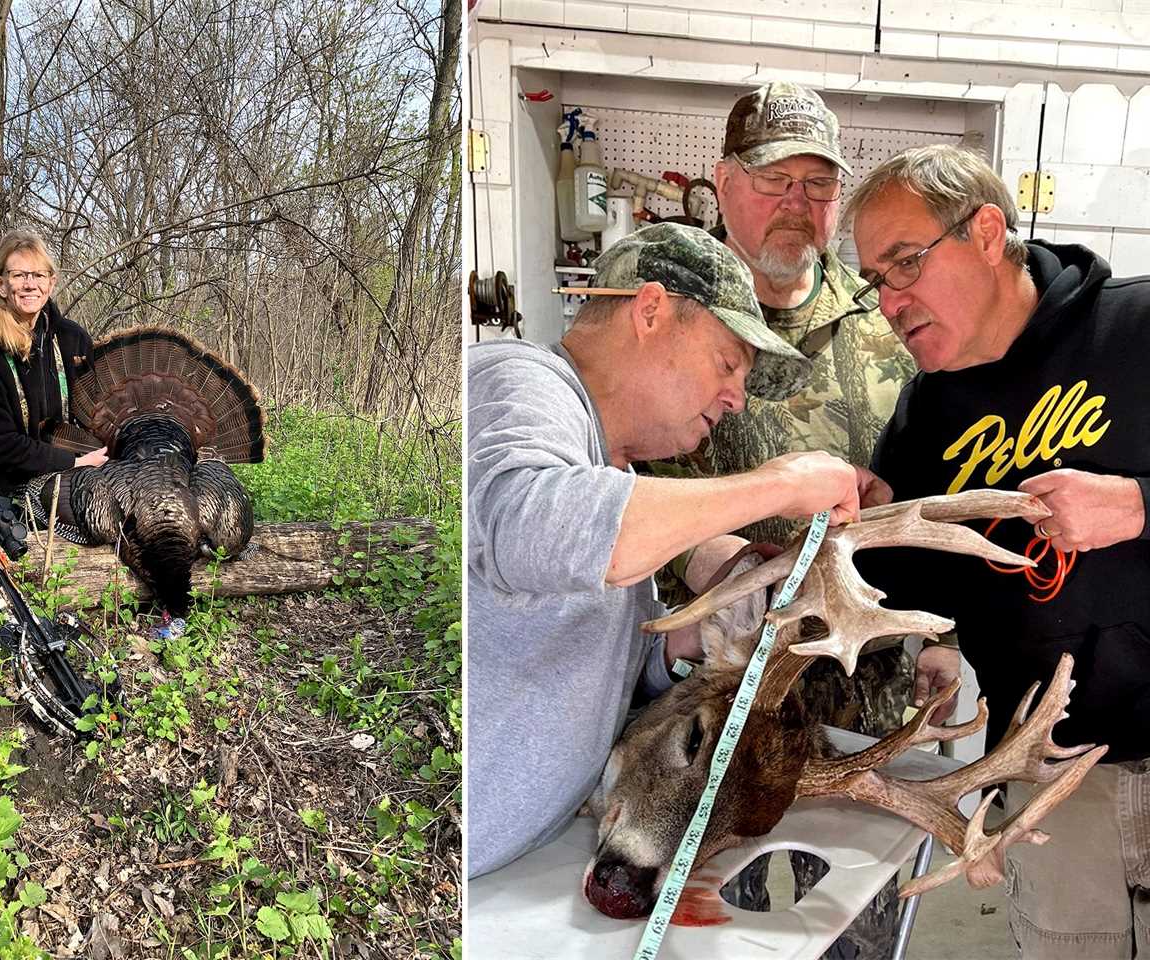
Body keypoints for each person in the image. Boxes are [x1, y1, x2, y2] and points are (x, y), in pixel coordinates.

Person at [467, 222, 878, 879]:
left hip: (523, 863)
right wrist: (778, 485)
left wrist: (684, 643)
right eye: (727, 363)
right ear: (651, 310)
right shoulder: (519, 382)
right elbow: (532, 524)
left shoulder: (614, 470)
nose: (736, 398)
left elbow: (591, 656)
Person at [848, 143, 1150, 959]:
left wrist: (1138, 506)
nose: (889, 301)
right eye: (875, 281)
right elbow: (914, 583)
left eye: (904, 263)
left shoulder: (1137, 328)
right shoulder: (926, 409)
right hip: (1045, 776)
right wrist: (870, 527)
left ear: (986, 231)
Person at [649, 81, 918, 955]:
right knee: (704, 933)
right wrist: (719, 565)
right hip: (705, 718)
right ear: (724, 182)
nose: (797, 206)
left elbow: (933, 494)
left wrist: (947, 636)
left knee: (850, 930)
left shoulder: (895, 324)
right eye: (774, 181)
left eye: (818, 184)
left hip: (862, 713)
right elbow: (622, 500)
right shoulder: (663, 315)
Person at [0, 228, 108, 497]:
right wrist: (74, 463)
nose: (30, 284)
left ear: (51, 283)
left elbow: (94, 416)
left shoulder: (72, 338)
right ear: (1, 284)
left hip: (67, 480)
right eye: (18, 275)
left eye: (38, 275)